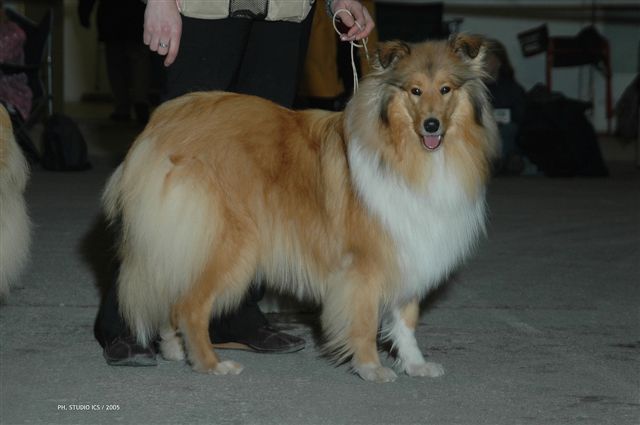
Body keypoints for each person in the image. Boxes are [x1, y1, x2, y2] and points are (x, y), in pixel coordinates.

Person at [95, 0, 374, 366]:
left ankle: (233, 311)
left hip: (283, 12)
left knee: (266, 173)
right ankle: (126, 319)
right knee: (176, 157)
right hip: (203, 9)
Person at [78, 0, 151, 124]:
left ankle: (123, 106)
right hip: (134, 15)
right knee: (138, 61)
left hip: (112, 17)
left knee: (116, 64)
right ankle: (139, 102)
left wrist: (84, 12)